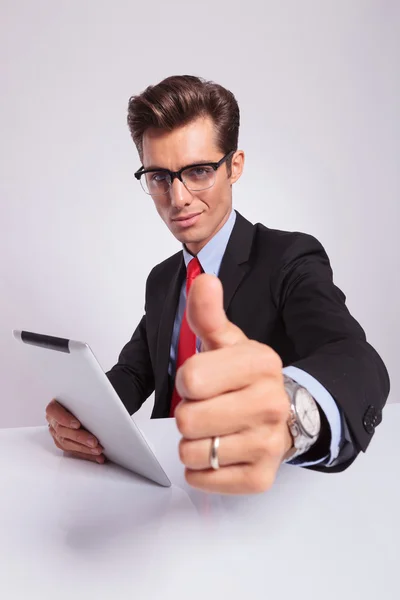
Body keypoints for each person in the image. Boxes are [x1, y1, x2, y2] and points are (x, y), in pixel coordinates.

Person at [45, 75, 390, 495]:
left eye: (199, 171)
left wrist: (291, 418)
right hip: (164, 487)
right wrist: (81, 413)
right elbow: (135, 374)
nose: (178, 198)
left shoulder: (289, 258)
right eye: (159, 176)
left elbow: (355, 358)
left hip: (255, 499)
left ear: (235, 166)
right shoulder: (162, 279)